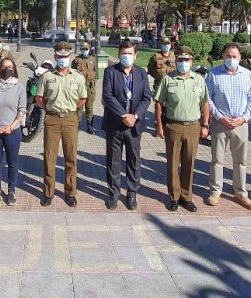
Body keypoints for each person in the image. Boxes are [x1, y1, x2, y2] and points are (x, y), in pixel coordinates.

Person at [154, 46, 210, 212]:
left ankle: (187, 197)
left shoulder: (199, 80)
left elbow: (205, 103)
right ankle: (174, 197)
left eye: (186, 60)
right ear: (176, 61)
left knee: (189, 163)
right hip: (173, 125)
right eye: (180, 60)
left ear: (191, 62)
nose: (183, 63)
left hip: (193, 126)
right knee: (173, 163)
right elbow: (159, 103)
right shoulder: (168, 79)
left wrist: (206, 125)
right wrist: (159, 125)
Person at [205, 43, 251, 210]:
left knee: (240, 161)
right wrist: (220, 117)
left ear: (240, 57)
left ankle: (240, 192)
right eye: (228, 56)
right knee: (217, 160)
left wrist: (243, 118)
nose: (231, 59)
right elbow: (207, 99)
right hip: (220, 124)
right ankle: (215, 191)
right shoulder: (213, 75)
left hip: (240, 125)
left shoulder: (247, 75)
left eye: (234, 56)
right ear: (223, 56)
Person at [101, 40, 153, 210]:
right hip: (115, 124)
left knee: (133, 160)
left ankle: (132, 193)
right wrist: (124, 115)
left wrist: (135, 116)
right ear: (119, 55)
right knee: (113, 161)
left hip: (134, 126)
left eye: (130, 54)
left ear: (135, 56)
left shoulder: (141, 73)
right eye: (124, 54)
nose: (127, 57)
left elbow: (146, 98)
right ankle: (114, 194)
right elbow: (108, 96)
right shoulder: (110, 72)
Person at [36, 41, 87, 207]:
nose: (63, 59)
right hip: (52, 119)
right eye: (60, 56)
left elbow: (82, 99)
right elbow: (40, 98)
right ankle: (48, 192)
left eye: (65, 56)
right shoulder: (47, 77)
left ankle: (70, 192)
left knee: (71, 157)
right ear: (55, 57)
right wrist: (52, 110)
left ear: (70, 57)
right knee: (50, 158)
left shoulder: (78, 77)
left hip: (71, 120)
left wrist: (70, 109)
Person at [0, 57, 27, 206]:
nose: (7, 69)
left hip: (12, 131)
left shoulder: (19, 87)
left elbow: (21, 110)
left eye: (9, 67)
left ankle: (11, 191)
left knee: (12, 162)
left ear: (13, 69)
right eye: (4, 67)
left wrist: (12, 126)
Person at [71, 42, 98, 133]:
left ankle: (89, 126)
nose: (85, 51)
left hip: (90, 87)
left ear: (89, 49)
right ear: (81, 49)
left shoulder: (93, 59)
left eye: (86, 49)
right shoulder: (76, 60)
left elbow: (96, 73)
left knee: (89, 107)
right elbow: (72, 75)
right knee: (79, 107)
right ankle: (77, 126)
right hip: (80, 87)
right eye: (83, 49)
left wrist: (93, 83)